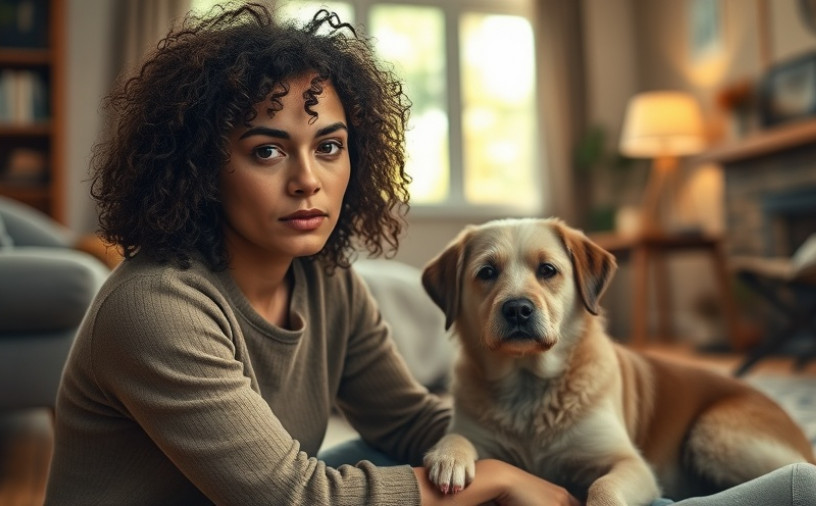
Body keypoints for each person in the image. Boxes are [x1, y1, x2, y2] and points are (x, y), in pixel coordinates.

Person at [44, 3, 577, 505]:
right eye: (267, 151)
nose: (307, 181)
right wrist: (500, 478)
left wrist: (557, 459)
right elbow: (296, 496)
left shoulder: (327, 279)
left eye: (328, 147)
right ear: (199, 168)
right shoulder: (152, 307)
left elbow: (407, 421)